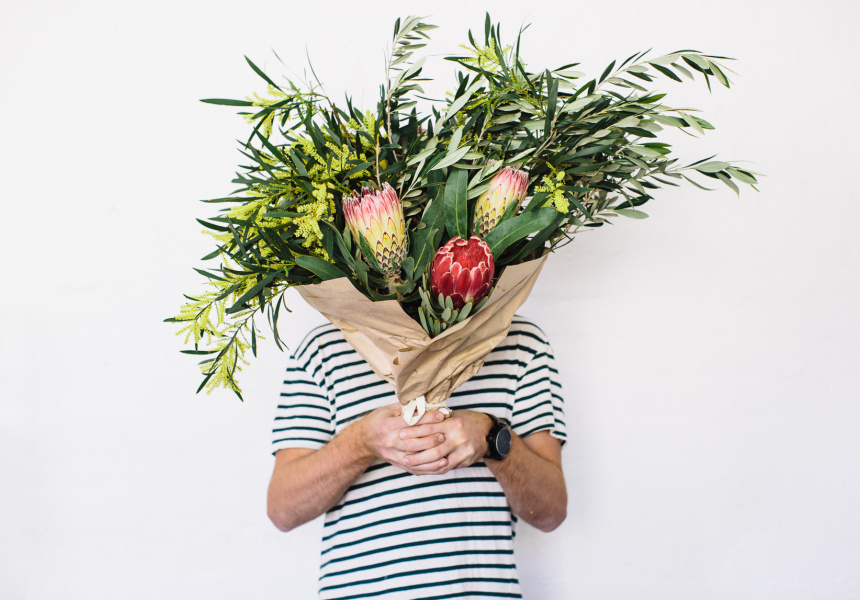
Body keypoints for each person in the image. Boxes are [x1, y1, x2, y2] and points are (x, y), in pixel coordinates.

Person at [267, 315, 567, 599]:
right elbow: (283, 510)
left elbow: (550, 512)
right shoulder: (323, 349)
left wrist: (492, 436)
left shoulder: (519, 341)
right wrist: (361, 442)